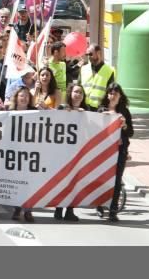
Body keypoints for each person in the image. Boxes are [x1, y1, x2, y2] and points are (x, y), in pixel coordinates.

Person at [98, 83, 133, 223]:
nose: (112, 96)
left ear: (120, 96)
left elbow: (130, 132)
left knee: (117, 180)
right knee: (101, 178)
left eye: (116, 94)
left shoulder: (125, 112)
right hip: (102, 152)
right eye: (111, 93)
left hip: (119, 150)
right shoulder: (101, 110)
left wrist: (124, 126)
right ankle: (99, 205)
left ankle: (113, 210)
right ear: (107, 95)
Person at [53, 82, 87, 222]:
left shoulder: (87, 110)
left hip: (79, 152)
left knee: (75, 182)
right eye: (75, 92)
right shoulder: (63, 108)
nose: (78, 95)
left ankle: (70, 210)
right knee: (63, 181)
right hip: (64, 153)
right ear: (70, 93)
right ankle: (59, 209)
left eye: (80, 92)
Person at [7, 87, 37, 222]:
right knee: (16, 182)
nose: (24, 98)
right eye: (21, 95)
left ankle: (28, 210)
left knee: (29, 182)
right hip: (13, 152)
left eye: (26, 96)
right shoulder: (9, 113)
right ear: (16, 97)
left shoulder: (35, 113)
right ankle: (17, 208)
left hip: (30, 152)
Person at [80, 44, 115, 110]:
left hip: (100, 109)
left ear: (98, 53)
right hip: (83, 108)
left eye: (90, 54)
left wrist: (106, 107)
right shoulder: (83, 69)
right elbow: (78, 87)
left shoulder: (109, 71)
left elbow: (111, 92)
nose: (89, 57)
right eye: (87, 55)